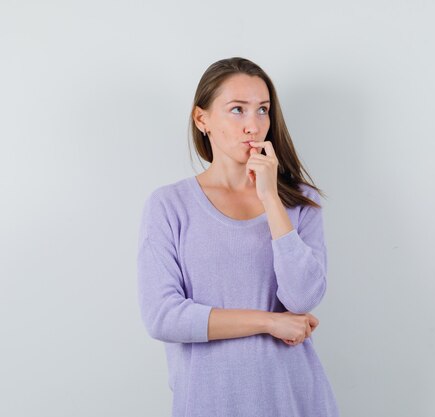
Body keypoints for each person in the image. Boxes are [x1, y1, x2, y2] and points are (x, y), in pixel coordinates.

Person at [136, 57, 340, 417]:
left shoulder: (300, 203)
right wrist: (268, 321)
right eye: (237, 110)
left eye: (262, 110)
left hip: (295, 400)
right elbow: (163, 317)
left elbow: (303, 297)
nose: (253, 125)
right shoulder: (169, 205)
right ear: (202, 119)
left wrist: (271, 199)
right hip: (208, 401)